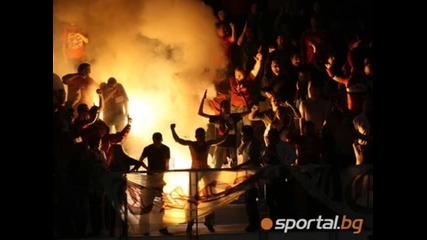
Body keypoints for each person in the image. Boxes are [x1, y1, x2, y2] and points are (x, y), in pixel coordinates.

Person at [170, 123, 229, 234]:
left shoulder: (208, 143)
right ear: (196, 136)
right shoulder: (192, 144)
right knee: (192, 198)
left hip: (205, 171)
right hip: (194, 170)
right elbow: (178, 140)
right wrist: (172, 129)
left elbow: (221, 139)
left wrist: (227, 130)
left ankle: (209, 221)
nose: (201, 136)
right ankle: (190, 223)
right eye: (199, 134)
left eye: (202, 134)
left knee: (210, 196)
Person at [135, 132, 172, 235]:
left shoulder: (160, 149)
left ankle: (158, 227)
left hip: (157, 178)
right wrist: (148, 169)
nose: (157, 141)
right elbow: (141, 160)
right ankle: (145, 227)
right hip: (153, 178)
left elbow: (167, 164)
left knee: (160, 203)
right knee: (149, 203)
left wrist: (161, 172)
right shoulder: (161, 148)